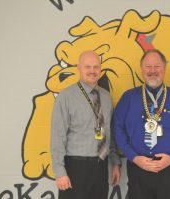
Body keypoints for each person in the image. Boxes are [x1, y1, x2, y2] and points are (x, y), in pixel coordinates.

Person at [114, 49, 170, 199]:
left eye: (157, 66)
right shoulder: (128, 98)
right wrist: (134, 157)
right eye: (148, 67)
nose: (152, 71)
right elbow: (118, 129)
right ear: (142, 69)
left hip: (169, 168)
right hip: (138, 168)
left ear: (164, 69)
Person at [51, 51, 121, 199]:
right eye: (87, 66)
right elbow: (57, 137)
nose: (92, 71)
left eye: (96, 67)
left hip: (101, 167)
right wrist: (60, 172)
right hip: (75, 168)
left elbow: (110, 134)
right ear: (79, 68)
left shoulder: (106, 97)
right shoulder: (66, 97)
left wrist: (115, 162)